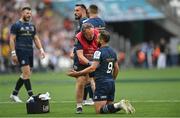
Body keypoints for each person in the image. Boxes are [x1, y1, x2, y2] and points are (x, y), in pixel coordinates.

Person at [68, 30, 135, 114]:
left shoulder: (98, 52)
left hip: (101, 83)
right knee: (108, 109)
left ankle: (119, 104)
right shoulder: (113, 52)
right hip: (111, 83)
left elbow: (92, 68)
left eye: (98, 37)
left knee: (99, 110)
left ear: (102, 40)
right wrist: (112, 79)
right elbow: (117, 68)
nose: (96, 39)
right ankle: (119, 105)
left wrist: (77, 73)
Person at [9, 4, 45, 102]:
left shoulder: (32, 26)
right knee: (26, 73)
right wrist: (13, 53)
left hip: (30, 51)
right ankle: (31, 96)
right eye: (27, 13)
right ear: (22, 13)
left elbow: (36, 38)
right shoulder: (16, 25)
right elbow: (12, 39)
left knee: (26, 74)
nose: (29, 15)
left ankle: (14, 94)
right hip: (21, 51)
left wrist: (41, 49)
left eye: (30, 13)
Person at [82, 4, 106, 106]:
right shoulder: (102, 22)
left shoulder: (86, 23)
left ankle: (93, 98)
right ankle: (101, 96)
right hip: (101, 50)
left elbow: (82, 38)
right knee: (99, 76)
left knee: (89, 77)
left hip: (90, 52)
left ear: (88, 11)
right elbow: (104, 36)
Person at [73, 23, 99, 113]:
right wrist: (91, 64)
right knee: (81, 81)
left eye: (92, 34)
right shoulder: (78, 37)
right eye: (89, 35)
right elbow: (80, 56)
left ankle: (99, 101)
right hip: (82, 61)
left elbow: (101, 48)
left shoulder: (98, 34)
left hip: (94, 58)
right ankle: (79, 106)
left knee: (96, 81)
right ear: (84, 34)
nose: (91, 36)